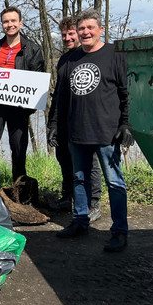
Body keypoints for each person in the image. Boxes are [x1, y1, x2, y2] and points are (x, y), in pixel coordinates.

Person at [50, 9, 134, 252]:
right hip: (77, 131)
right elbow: (60, 97)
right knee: (79, 178)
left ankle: (119, 231)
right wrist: (54, 125)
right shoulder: (69, 60)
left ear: (101, 29)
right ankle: (80, 220)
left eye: (90, 28)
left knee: (114, 182)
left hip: (106, 132)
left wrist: (126, 124)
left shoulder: (115, 55)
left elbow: (127, 93)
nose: (85, 32)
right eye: (81, 28)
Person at [47, 16, 103, 222]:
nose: (67, 38)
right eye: (64, 35)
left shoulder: (89, 56)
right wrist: (53, 123)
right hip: (63, 117)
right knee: (63, 157)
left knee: (90, 162)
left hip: (85, 118)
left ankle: (93, 202)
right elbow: (58, 93)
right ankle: (68, 197)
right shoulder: (63, 60)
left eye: (71, 34)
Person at [0, 6, 45, 179]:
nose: (10, 24)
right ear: (2, 25)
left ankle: (18, 187)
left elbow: (38, 81)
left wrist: (29, 108)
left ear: (20, 23)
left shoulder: (33, 49)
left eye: (13, 21)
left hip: (18, 107)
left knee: (18, 149)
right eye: (6, 21)